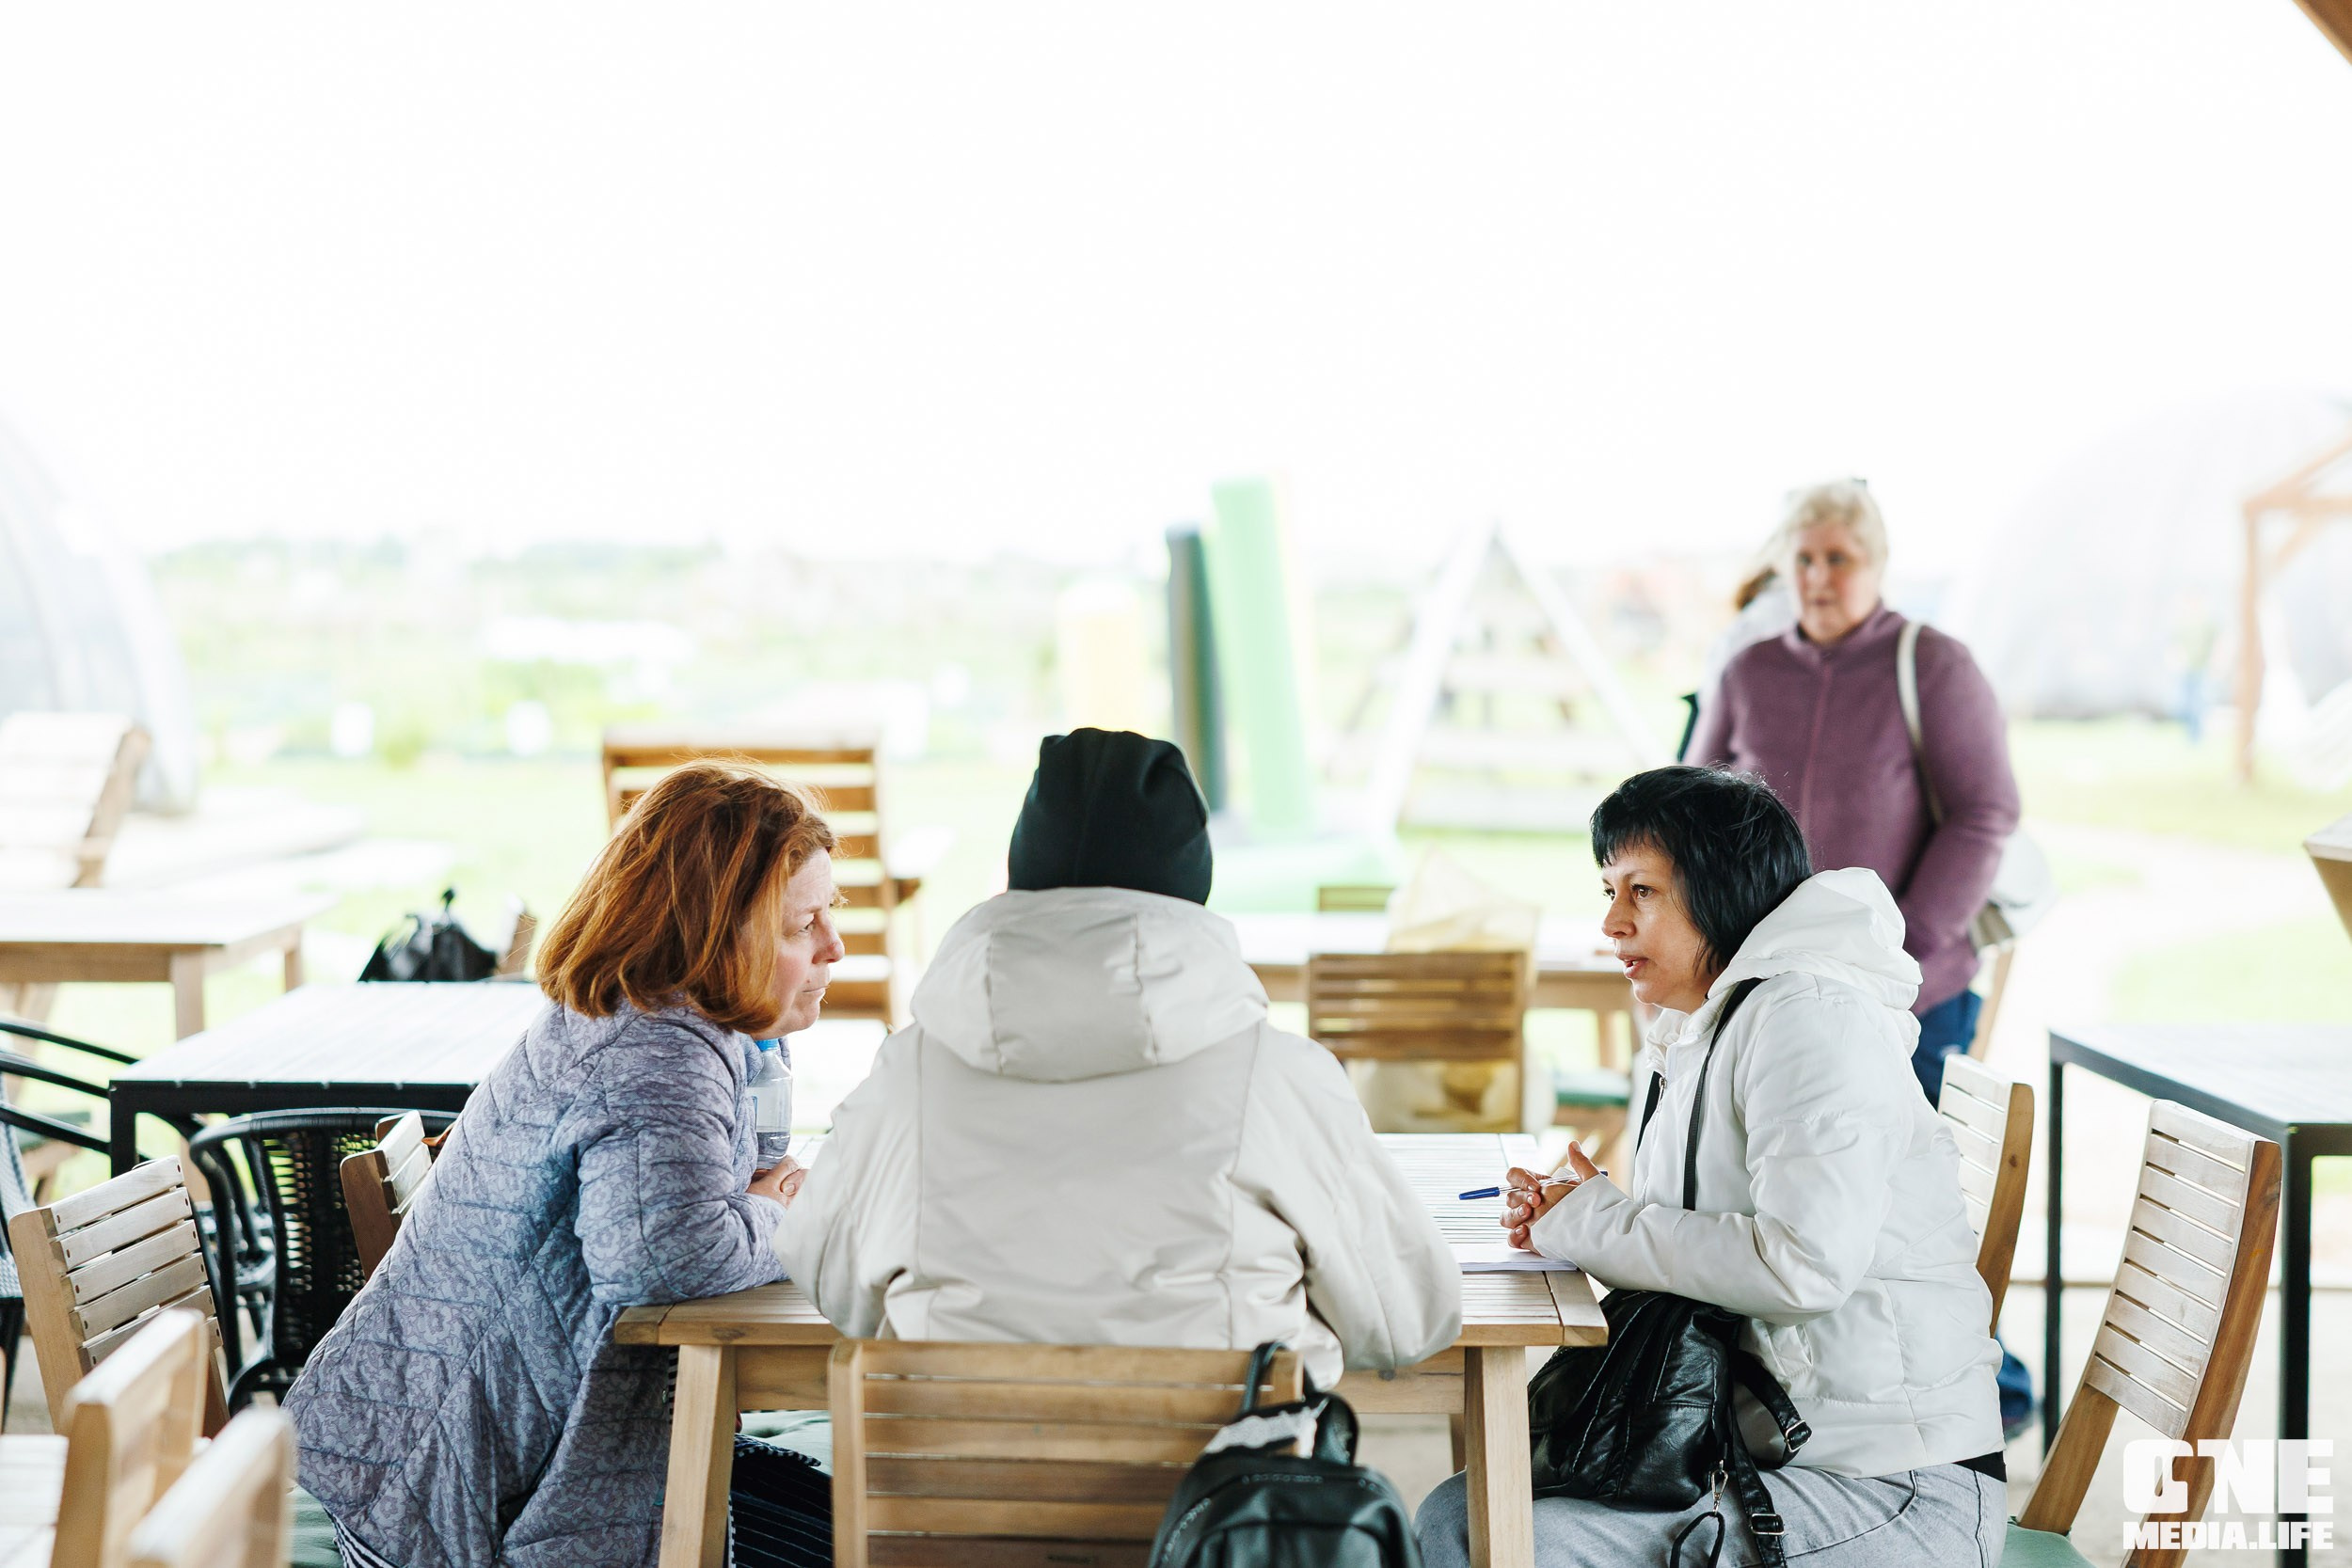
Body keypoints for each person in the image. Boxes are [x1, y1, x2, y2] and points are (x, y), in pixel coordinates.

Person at [1416, 766, 2005, 1568]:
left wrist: (1596, 1222)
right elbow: (1698, 1238)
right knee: (1469, 1507)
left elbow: (1802, 1265)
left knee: (1485, 1534)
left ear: (1723, 889)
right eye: (1609, 890)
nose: (1612, 922)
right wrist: (1577, 1210)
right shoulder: (1712, 1024)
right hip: (1772, 1451)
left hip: (1893, 1489)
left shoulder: (1809, 1018)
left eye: (1643, 891)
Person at [774, 727, 1461, 1388]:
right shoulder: (1281, 1080)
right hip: (1215, 1470)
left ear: (1021, 871)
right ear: (1194, 882)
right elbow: (1407, 1318)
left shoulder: (907, 1076)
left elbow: (832, 1281)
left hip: (946, 1469)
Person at [286, 765, 845, 1568]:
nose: (834, 947)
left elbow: (740, 1172)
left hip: (483, 1467)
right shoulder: (653, 1046)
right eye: (802, 925)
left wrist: (765, 1055)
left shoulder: (678, 1015)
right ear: (716, 934)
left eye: (831, 912)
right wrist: (787, 1213)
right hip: (445, 1513)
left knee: (847, 1524)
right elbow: (667, 1254)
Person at [1686, 480, 2019, 1103]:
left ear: (1876, 564)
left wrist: (1904, 939)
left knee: (1903, 1165)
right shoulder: (1748, 670)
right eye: (1804, 560)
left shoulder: (1934, 665)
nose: (1818, 577)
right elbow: (1688, 812)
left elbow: (1984, 812)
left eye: (1838, 558)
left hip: (1905, 992)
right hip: (1764, 990)